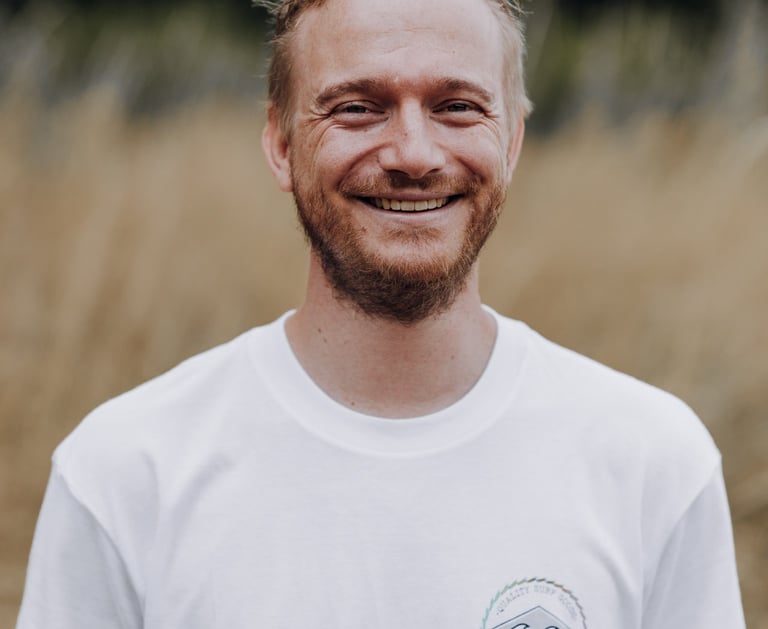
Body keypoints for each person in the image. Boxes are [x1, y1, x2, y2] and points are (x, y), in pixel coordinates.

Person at [17, 0, 745, 627]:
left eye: (457, 106)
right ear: (280, 143)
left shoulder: (654, 464)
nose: (414, 153)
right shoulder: (123, 474)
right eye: (357, 107)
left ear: (513, 140)